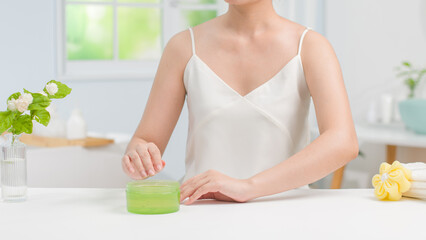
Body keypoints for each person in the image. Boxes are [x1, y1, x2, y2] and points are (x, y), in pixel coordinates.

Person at [121, 0, 358, 205]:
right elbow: (144, 140)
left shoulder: (310, 47)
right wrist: (139, 155)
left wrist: (248, 187)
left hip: (284, 213)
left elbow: (343, 141)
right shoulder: (182, 47)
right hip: (200, 214)